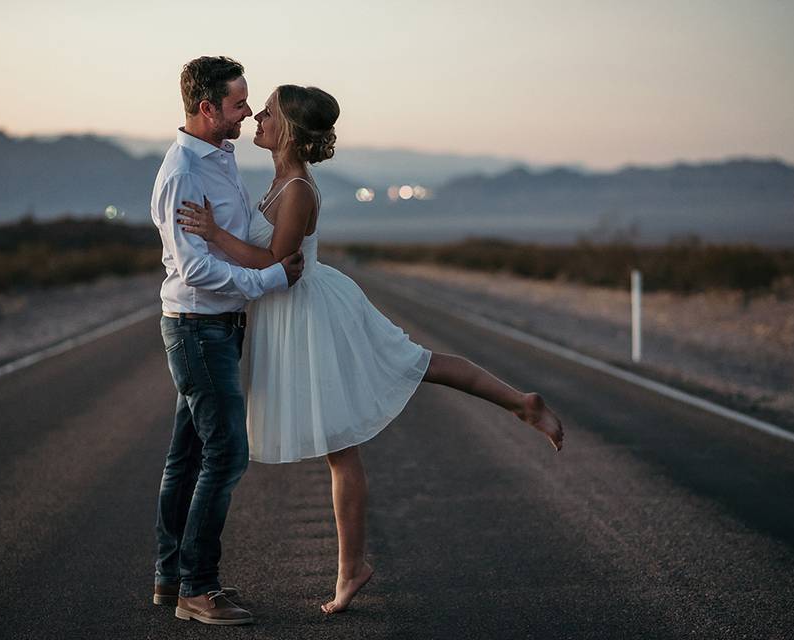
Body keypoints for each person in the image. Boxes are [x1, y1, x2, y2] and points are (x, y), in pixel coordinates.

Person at [177, 84, 565, 615]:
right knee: (405, 375)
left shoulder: (297, 189)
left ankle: (354, 566)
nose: (258, 118)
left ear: (287, 128)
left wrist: (216, 235)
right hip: (296, 312)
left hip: (312, 316)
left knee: (358, 426)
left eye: (267, 111)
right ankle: (521, 403)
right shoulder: (277, 180)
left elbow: (272, 263)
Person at [150, 56, 305, 627]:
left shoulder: (218, 157)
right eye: (239, 104)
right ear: (206, 107)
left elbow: (229, 240)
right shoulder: (184, 173)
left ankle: (172, 578)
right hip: (198, 325)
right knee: (226, 454)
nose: (248, 111)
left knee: (187, 456)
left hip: (214, 326)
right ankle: (198, 588)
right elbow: (196, 271)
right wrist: (269, 279)